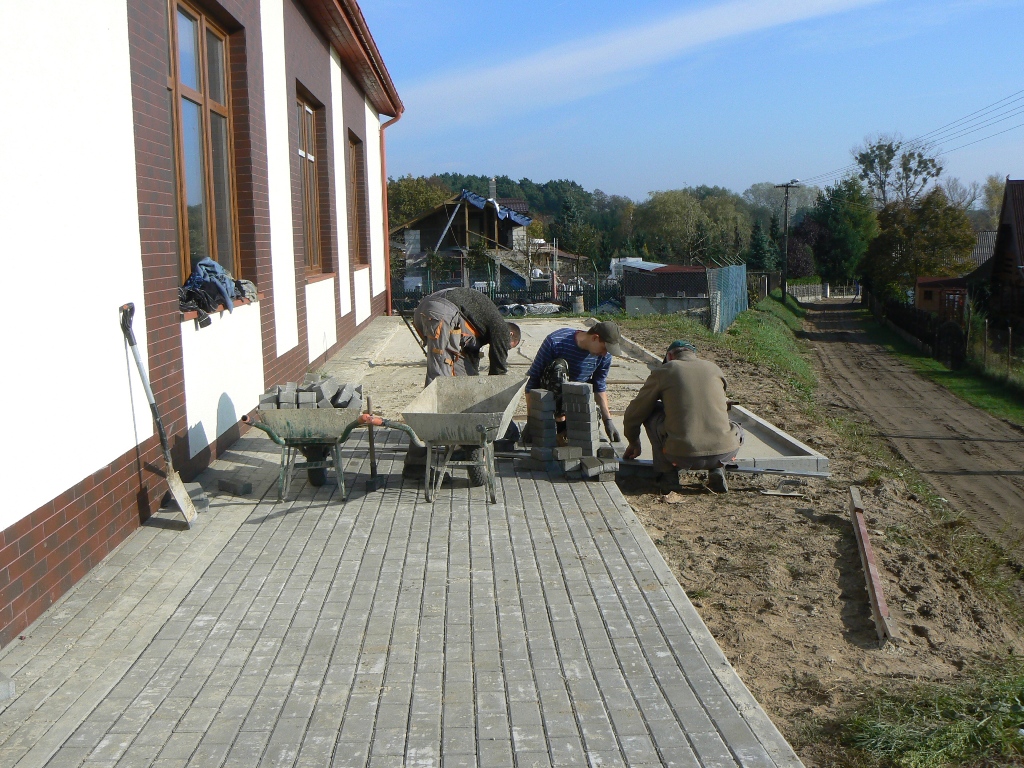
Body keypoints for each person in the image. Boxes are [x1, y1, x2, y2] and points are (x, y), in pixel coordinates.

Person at [622, 340, 743, 493]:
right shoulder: (714, 368)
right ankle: (717, 469)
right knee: (732, 424)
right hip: (725, 453)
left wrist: (634, 442)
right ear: (693, 354)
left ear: (670, 356)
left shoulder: (665, 371)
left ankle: (668, 475)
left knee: (651, 411)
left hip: (680, 456)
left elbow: (635, 412)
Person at [525, 321, 624, 443]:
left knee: (593, 414)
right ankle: (559, 425)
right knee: (559, 367)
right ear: (595, 338)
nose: (604, 354)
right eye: (604, 348)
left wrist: (607, 421)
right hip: (549, 400)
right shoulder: (556, 341)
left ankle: (569, 429)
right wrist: (531, 419)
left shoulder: (604, 356)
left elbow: (599, 386)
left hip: (574, 401)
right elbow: (532, 381)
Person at [413, 287, 521, 386]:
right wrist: (497, 387)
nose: (504, 347)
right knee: (441, 366)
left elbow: (470, 357)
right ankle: (437, 400)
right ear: (510, 334)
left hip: (424, 309)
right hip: (442, 309)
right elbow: (498, 368)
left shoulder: (482, 325)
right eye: (508, 346)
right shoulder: (501, 327)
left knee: (465, 374)